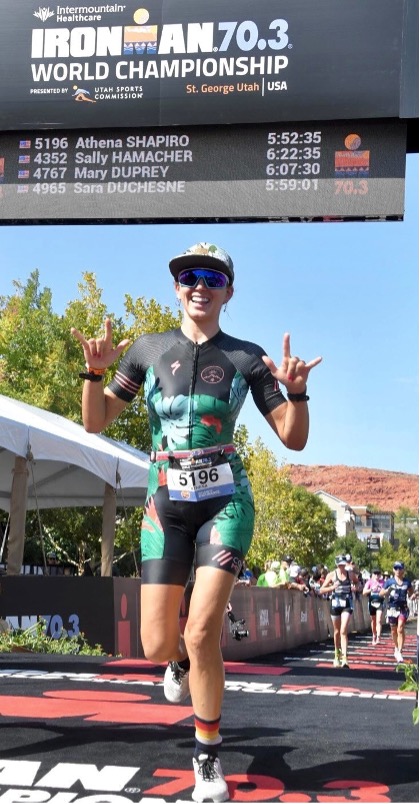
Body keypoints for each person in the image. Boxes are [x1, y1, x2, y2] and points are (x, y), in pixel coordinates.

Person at [71, 241, 322, 803]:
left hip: (225, 504)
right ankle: (179, 662)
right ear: (177, 287)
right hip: (165, 503)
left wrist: (298, 392)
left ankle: (206, 755)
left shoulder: (247, 357)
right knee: (159, 640)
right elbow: (95, 422)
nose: (199, 285)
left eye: (211, 276)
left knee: (203, 629)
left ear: (229, 290)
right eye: (188, 276)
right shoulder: (147, 349)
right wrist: (93, 372)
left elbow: (294, 437)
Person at [318, 554, 361, 668]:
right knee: (336, 631)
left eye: (344, 565)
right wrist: (332, 588)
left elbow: (358, 583)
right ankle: (337, 654)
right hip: (335, 603)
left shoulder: (350, 574)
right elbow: (321, 590)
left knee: (343, 630)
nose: (342, 567)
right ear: (337, 565)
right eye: (340, 565)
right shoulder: (332, 575)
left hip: (347, 603)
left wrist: (356, 587)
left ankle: (345, 658)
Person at [380, 561, 416, 663]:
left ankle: (400, 651)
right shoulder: (389, 582)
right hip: (392, 608)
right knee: (394, 630)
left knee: (400, 628)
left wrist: (413, 596)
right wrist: (387, 591)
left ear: (403, 570)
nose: (398, 570)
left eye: (400, 568)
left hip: (403, 608)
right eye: (396, 568)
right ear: (393, 570)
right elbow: (380, 593)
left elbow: (410, 594)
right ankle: (396, 647)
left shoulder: (407, 582)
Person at [362, 568, 385, 644]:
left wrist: (382, 591)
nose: (377, 575)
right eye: (375, 574)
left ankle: (378, 637)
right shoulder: (369, 582)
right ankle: (374, 635)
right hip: (372, 602)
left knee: (379, 620)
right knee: (373, 620)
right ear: (372, 575)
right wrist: (371, 589)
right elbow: (364, 592)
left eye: (378, 574)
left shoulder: (383, 582)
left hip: (380, 602)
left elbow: (386, 592)